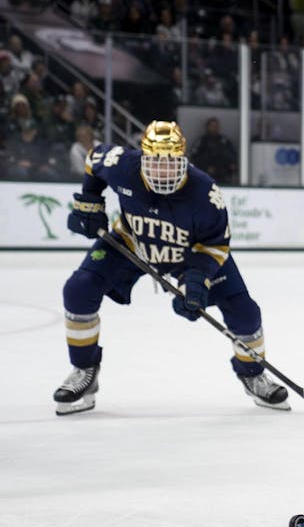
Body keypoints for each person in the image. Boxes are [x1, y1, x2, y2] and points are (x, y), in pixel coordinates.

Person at [53, 120, 290, 415]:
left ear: (184, 161)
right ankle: (84, 371)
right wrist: (89, 202)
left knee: (244, 312)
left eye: (171, 164)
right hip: (132, 242)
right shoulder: (122, 165)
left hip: (189, 253)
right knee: (78, 290)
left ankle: (253, 374)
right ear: (142, 158)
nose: (163, 171)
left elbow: (215, 245)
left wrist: (195, 280)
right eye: (155, 163)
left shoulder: (205, 193)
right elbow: (93, 159)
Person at [190, 117, 238, 184]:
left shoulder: (224, 141)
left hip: (223, 176)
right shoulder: (201, 141)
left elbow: (232, 157)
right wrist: (206, 167)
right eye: (213, 126)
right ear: (207, 127)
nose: (215, 128)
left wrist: (230, 166)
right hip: (204, 176)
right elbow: (193, 158)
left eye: (216, 126)